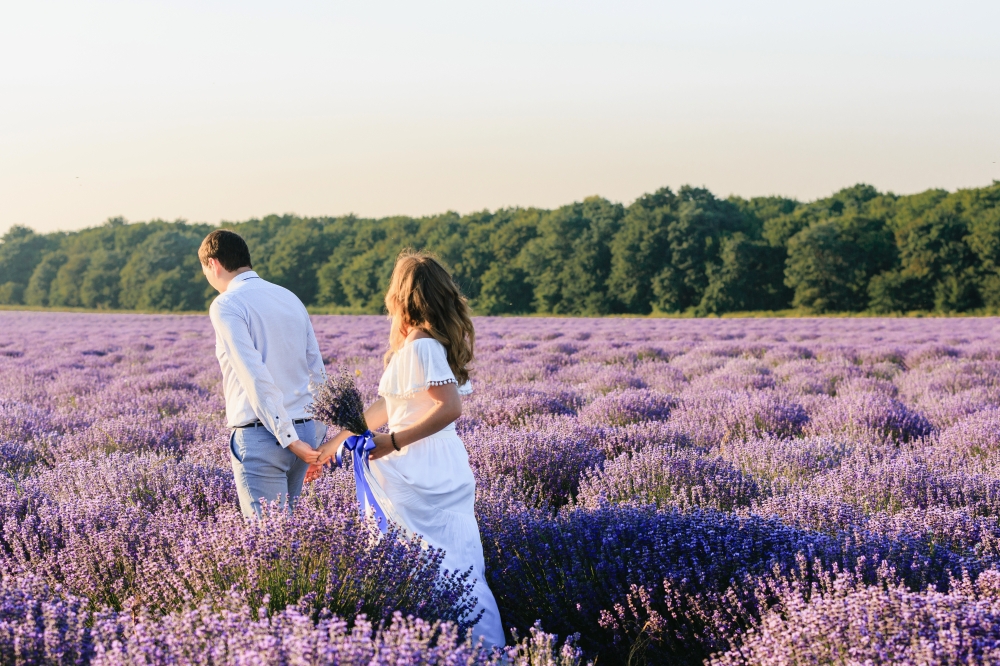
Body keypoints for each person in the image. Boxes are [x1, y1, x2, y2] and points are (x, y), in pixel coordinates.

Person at [310, 250, 506, 647]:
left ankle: (478, 650)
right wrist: (335, 443)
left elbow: (450, 406)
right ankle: (445, 647)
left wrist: (393, 441)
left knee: (445, 565)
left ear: (401, 296)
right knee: (441, 563)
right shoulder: (419, 344)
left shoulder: (421, 347)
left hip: (422, 465)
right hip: (425, 462)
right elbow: (390, 406)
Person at [200, 229, 324, 518]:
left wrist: (289, 440)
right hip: (304, 430)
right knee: (286, 534)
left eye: (204, 269)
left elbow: (253, 375)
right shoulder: (289, 297)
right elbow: (317, 370)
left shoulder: (226, 304)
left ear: (213, 264)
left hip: (265, 436)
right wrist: (314, 439)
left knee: (270, 545)